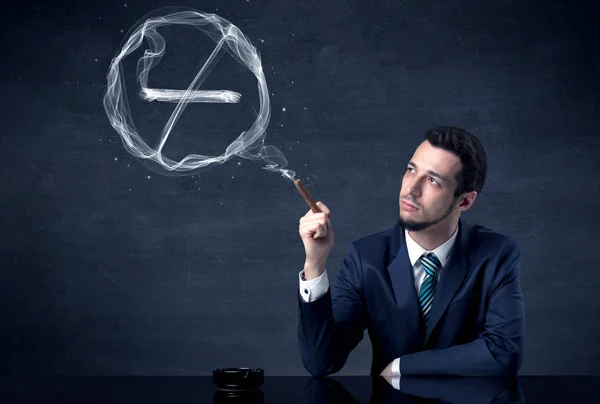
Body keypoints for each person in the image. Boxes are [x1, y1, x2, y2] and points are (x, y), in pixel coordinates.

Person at [296, 126, 525, 379]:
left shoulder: (496, 253)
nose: (410, 189)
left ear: (465, 201)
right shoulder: (366, 257)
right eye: (411, 170)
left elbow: (504, 352)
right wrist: (315, 263)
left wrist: (402, 367)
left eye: (433, 180)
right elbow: (322, 362)